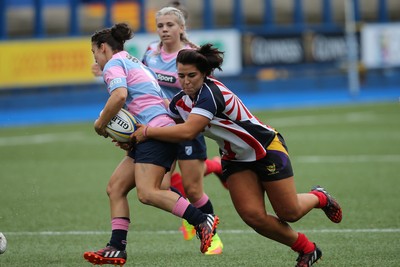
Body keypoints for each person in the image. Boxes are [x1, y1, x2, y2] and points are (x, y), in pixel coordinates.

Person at [132, 43, 343, 267]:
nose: (185, 81)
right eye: (181, 75)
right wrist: (130, 135)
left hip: (266, 149)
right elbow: (167, 124)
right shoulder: (180, 102)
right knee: (253, 217)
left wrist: (145, 131)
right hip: (235, 159)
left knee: (289, 212)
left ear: (205, 74)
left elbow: (188, 131)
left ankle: (320, 197)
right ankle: (307, 250)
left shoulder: (210, 94)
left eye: (192, 75)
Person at [83, 24, 219, 266]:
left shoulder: (114, 64)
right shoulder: (134, 61)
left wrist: (100, 125)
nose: (94, 57)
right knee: (115, 188)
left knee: (148, 193)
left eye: (94, 51)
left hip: (156, 133)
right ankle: (116, 247)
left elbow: (120, 96)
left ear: (103, 47)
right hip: (154, 131)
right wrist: (129, 137)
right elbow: (142, 102)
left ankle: (201, 220)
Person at [141, 6, 224, 254]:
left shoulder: (191, 55)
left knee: (193, 189)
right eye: (160, 26)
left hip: (186, 127)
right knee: (161, 186)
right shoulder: (150, 54)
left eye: (170, 25)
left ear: (181, 28)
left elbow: (208, 91)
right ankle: (193, 218)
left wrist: (179, 105)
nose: (164, 30)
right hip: (159, 128)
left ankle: (213, 236)